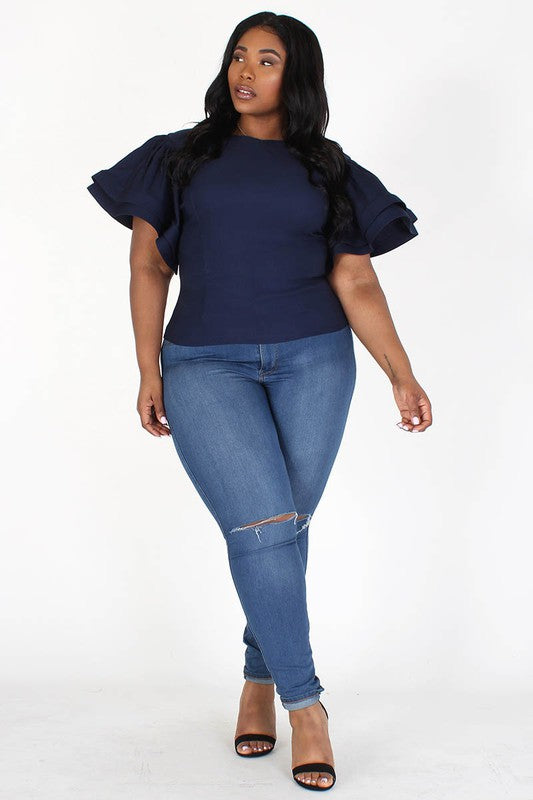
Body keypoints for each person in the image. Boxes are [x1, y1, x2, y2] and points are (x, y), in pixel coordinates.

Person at [86, 11, 431, 792]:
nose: (245, 71)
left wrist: (399, 373)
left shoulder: (329, 168)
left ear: (295, 76)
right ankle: (306, 706)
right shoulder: (179, 157)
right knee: (265, 528)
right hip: (204, 364)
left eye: (266, 60)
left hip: (316, 362)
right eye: (238, 55)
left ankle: (256, 680)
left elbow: (355, 278)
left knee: (280, 534)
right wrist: (147, 369)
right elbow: (148, 266)